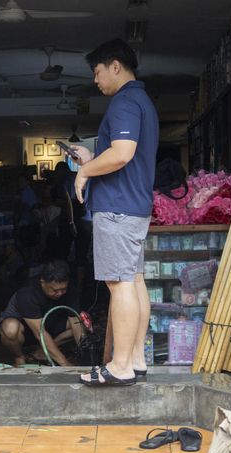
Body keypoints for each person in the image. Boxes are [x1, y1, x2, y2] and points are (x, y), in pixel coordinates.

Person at [71, 39, 159, 386]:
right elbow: (125, 157)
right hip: (133, 204)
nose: (96, 80)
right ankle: (135, 359)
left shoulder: (124, 102)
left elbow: (122, 153)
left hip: (118, 208)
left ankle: (120, 365)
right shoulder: (142, 101)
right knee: (134, 280)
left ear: (116, 66)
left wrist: (84, 171)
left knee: (119, 283)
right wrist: (92, 159)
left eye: (97, 71)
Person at [0, 259, 82, 366]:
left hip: (50, 323)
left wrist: (84, 352)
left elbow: (75, 321)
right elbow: (40, 333)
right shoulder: (27, 293)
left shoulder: (69, 288)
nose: (60, 293)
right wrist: (65, 364)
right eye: (54, 290)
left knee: (82, 323)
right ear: (42, 282)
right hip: (27, 330)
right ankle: (19, 356)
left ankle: (42, 351)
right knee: (10, 329)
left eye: (63, 289)